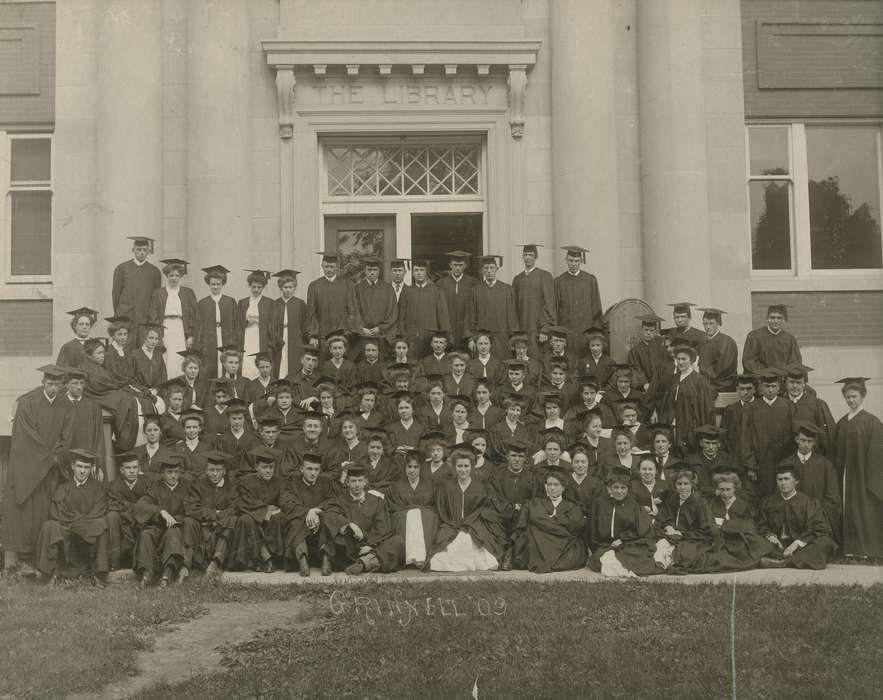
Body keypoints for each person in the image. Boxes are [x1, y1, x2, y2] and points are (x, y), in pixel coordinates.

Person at [3, 366, 74, 573]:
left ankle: (43, 560)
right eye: (50, 384)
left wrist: (55, 456)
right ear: (43, 382)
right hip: (31, 467)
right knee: (25, 512)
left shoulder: (66, 406)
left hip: (51, 468)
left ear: (62, 386)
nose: (53, 388)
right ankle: (20, 560)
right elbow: (26, 436)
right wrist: (47, 457)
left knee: (45, 511)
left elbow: (66, 436)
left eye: (57, 385)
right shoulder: (28, 403)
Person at [35, 448, 109, 585]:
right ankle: (52, 573)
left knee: (100, 524)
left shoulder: (98, 488)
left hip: (87, 529)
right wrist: (74, 522)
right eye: (80, 466)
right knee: (50, 526)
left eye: (86, 467)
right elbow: (57, 511)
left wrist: (79, 523)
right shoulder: (63, 487)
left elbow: (98, 511)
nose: (82, 471)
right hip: (66, 527)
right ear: (73, 466)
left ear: (91, 468)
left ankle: (97, 575)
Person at [428, 448, 505, 571]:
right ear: (454, 466)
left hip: (473, 525)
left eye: (466, 466)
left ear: (472, 466)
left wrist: (469, 522)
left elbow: (483, 510)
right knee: (449, 547)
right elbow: (441, 509)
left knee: (467, 540)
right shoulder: (446, 486)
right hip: (451, 524)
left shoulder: (480, 487)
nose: (463, 470)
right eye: (459, 466)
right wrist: (452, 523)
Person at [833, 377, 883, 559]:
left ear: (863, 396)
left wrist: (871, 479)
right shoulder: (842, 423)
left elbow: (877, 454)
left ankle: (866, 550)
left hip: (864, 477)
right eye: (847, 397)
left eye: (854, 396)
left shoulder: (872, 422)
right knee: (848, 508)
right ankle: (849, 549)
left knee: (864, 509)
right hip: (846, 476)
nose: (851, 400)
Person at [323, 465, 403, 575]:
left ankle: (363, 564)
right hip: (349, 547)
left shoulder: (377, 501)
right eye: (353, 481)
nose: (357, 485)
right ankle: (369, 563)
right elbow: (330, 514)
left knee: (397, 541)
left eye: (360, 481)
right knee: (331, 532)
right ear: (347, 483)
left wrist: (370, 545)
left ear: (365, 482)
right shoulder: (340, 500)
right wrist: (349, 524)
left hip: (371, 547)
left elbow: (382, 527)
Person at [757, 464, 836, 569]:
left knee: (825, 542)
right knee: (753, 540)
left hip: (801, 546)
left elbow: (818, 527)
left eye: (787, 479)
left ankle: (782, 562)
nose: (783, 483)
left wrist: (798, 542)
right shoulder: (768, 502)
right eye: (780, 479)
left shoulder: (808, 502)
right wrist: (770, 536)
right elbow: (760, 524)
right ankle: (791, 559)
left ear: (796, 481)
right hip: (775, 546)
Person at [588, 466, 658, 577]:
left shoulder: (633, 505)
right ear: (610, 488)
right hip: (605, 545)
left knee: (634, 559)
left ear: (628, 489)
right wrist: (595, 547)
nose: (619, 491)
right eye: (616, 487)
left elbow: (640, 529)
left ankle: (625, 570)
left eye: (623, 488)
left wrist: (623, 539)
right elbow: (593, 528)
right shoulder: (600, 503)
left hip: (628, 543)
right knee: (599, 561)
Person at [133, 456, 190, 587]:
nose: (173, 476)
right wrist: (160, 512)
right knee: (146, 535)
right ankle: (147, 575)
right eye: (169, 472)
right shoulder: (156, 488)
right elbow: (140, 506)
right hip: (157, 526)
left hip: (177, 527)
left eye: (176, 472)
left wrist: (175, 519)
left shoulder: (186, 488)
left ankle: (167, 575)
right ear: (163, 473)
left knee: (172, 534)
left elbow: (191, 511)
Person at [516, 468, 586, 573]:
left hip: (564, 544)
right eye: (549, 484)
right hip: (540, 541)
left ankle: (547, 561)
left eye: (556, 485)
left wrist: (550, 521)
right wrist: (560, 523)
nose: (552, 488)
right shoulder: (536, 503)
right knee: (533, 530)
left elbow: (575, 525)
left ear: (563, 487)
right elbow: (535, 520)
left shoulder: (572, 506)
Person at [778, 421, 841, 539]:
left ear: (814, 442)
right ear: (797, 439)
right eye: (803, 440)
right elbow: (780, 494)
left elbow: (833, 498)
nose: (806, 444)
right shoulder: (786, 463)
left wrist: (816, 514)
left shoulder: (825, 465)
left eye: (810, 441)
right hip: (792, 518)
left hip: (816, 518)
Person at [229, 446, 287, 572]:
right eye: (264, 467)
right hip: (251, 514)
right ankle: (262, 558)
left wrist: (274, 511)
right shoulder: (246, 481)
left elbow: (283, 501)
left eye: (271, 467)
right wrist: (265, 510)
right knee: (245, 519)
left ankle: (271, 557)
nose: (268, 471)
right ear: (256, 468)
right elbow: (244, 502)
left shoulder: (280, 481)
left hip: (273, 518)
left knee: (279, 517)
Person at [706, 467, 774, 571]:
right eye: (722, 490)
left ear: (735, 489)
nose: (725, 493)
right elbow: (709, 522)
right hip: (719, 538)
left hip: (739, 537)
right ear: (717, 490)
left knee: (745, 547)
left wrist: (724, 524)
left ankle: (760, 560)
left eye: (728, 489)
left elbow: (748, 526)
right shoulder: (712, 503)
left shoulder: (743, 504)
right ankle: (758, 562)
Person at [488, 439, 542, 569]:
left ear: (525, 459)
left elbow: (537, 498)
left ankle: (510, 553)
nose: (517, 459)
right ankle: (506, 551)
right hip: (503, 514)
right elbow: (495, 496)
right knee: (488, 516)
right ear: (507, 457)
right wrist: (511, 508)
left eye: (520, 456)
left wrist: (523, 508)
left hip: (524, 515)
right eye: (513, 456)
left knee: (523, 518)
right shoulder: (498, 474)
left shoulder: (533, 475)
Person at [653, 464, 717, 575]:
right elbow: (665, 516)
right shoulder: (673, 499)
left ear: (692, 484)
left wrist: (682, 534)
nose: (683, 487)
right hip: (672, 535)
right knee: (660, 545)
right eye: (679, 484)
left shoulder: (700, 503)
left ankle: (669, 562)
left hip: (692, 538)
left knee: (683, 553)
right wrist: (669, 527)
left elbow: (706, 530)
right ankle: (661, 564)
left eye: (686, 484)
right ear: (675, 485)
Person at [183, 449, 239, 576]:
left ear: (224, 471)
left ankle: (216, 561)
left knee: (233, 519)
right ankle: (186, 565)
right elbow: (191, 507)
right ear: (206, 471)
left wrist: (218, 518)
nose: (214, 474)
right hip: (202, 528)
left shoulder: (231, 487)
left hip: (222, 528)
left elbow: (234, 507)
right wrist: (215, 514)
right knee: (188, 521)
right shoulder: (199, 484)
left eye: (218, 470)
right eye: (211, 470)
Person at [280, 453, 335, 576]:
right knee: (295, 522)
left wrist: (316, 510)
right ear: (301, 469)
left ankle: (326, 559)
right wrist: (307, 512)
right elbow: (286, 503)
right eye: (309, 469)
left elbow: (333, 501)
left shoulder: (326, 483)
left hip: (319, 524)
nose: (313, 473)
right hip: (300, 521)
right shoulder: (291, 483)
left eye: (316, 469)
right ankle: (302, 559)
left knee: (328, 520)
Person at [742, 369, 793, 498]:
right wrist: (751, 465)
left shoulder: (787, 405)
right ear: (760, 387)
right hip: (760, 463)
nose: (770, 390)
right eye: (767, 386)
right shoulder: (751, 407)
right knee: (761, 497)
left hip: (782, 461)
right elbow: (745, 438)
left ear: (779, 387)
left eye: (773, 386)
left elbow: (792, 435)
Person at [387, 451, 439, 568]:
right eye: (409, 466)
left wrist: (417, 510)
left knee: (419, 515)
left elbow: (433, 506)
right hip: (403, 518)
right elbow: (394, 507)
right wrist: (412, 510)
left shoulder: (430, 485)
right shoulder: (396, 486)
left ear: (421, 468)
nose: (412, 470)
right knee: (411, 516)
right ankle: (410, 558)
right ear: (404, 468)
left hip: (425, 518)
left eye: (416, 467)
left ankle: (422, 558)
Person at [147, 259, 198, 378]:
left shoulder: (187, 292)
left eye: (177, 275)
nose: (174, 278)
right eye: (171, 275)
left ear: (180, 276)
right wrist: (157, 335)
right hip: (165, 328)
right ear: (166, 276)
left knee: (180, 357)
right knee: (166, 357)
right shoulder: (158, 293)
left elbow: (194, 315)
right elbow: (153, 315)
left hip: (180, 328)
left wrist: (190, 335)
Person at [663, 340, 714, 457]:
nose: (680, 362)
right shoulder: (674, 378)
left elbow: (705, 409)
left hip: (690, 426)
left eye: (684, 359)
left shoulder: (699, 381)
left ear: (691, 360)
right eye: (678, 359)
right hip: (674, 424)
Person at [554, 246, 603, 357]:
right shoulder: (559, 282)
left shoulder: (590, 280)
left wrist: (595, 334)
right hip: (567, 332)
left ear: (581, 261)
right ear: (566, 260)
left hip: (586, 332)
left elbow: (596, 309)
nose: (574, 264)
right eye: (571, 260)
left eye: (576, 261)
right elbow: (556, 310)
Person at [112, 236, 162, 345]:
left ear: (149, 251)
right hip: (126, 316)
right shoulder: (122, 268)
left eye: (144, 250)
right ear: (133, 250)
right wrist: (120, 313)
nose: (141, 253)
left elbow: (156, 297)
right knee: (125, 347)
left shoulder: (154, 272)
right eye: (139, 249)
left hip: (144, 318)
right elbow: (116, 295)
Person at [398, 258, 451, 358]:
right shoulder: (406, 292)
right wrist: (403, 336)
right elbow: (401, 317)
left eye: (421, 270)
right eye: (416, 270)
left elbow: (443, 317)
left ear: (426, 272)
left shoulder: (437, 291)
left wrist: (443, 337)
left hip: (430, 337)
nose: (419, 273)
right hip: (411, 337)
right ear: (412, 273)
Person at [468, 255, 519, 360]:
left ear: (497, 269)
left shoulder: (506, 289)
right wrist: (472, 338)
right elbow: (472, 315)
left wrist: (512, 338)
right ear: (482, 270)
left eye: (492, 267)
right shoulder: (476, 290)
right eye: (486, 268)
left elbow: (512, 315)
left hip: (502, 336)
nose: (489, 271)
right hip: (482, 337)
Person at [106, 451, 149, 570]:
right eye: (128, 468)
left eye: (135, 467)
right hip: (122, 525)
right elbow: (113, 506)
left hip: (142, 522)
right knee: (112, 516)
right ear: (121, 470)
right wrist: (137, 507)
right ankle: (114, 562)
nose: (132, 471)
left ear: (139, 468)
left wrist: (126, 506)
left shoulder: (147, 483)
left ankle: (143, 564)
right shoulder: (113, 486)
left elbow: (150, 506)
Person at [195, 265, 239, 379]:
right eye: (213, 284)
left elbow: (235, 323)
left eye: (218, 284)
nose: (215, 287)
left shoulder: (230, 301)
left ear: (222, 284)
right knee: (210, 364)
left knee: (227, 363)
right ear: (209, 284)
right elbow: (199, 326)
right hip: (209, 339)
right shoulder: (203, 303)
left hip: (226, 338)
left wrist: (234, 341)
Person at [512, 243, 557, 353]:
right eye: (525, 255)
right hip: (522, 329)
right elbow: (514, 307)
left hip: (538, 329)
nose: (527, 258)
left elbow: (549, 304)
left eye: (530, 255)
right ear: (522, 257)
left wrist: (545, 329)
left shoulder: (544, 276)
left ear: (536, 257)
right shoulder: (518, 279)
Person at [62, 368, 106, 478]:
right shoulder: (59, 404)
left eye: (82, 383)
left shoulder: (93, 407)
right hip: (63, 461)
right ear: (67, 385)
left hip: (86, 463)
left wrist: (97, 464)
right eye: (75, 383)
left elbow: (99, 438)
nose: (79, 387)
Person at [784, 364, 836, 455]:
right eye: (791, 382)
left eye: (799, 382)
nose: (795, 386)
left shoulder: (816, 404)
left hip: (810, 457)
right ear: (786, 383)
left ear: (804, 384)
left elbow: (824, 436)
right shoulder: (780, 403)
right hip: (785, 457)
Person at [306, 252, 353, 350]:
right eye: (326, 266)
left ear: (337, 267)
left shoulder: (346, 284)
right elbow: (311, 312)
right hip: (322, 335)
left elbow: (352, 309)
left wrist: (347, 330)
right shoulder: (314, 285)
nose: (329, 270)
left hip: (342, 335)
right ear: (322, 266)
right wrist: (313, 335)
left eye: (332, 267)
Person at [269, 269, 308, 380]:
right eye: (285, 287)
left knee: (294, 361)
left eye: (290, 287)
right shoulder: (275, 304)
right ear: (280, 288)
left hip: (295, 337)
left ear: (294, 288)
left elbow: (305, 323)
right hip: (279, 338)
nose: (288, 290)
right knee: (280, 361)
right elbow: (271, 325)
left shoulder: (300, 303)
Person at [742, 304, 802, 374]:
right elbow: (749, 361)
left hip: (782, 378)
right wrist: (767, 372)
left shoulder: (790, 339)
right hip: (761, 378)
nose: (776, 321)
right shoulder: (755, 336)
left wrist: (784, 373)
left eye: (779, 318)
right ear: (767, 318)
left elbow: (795, 362)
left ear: (783, 320)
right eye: (772, 317)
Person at [237, 270, 274, 380]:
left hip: (261, 337)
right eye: (254, 287)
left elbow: (272, 324)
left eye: (259, 287)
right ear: (250, 286)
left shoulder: (269, 303)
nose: (256, 290)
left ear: (263, 287)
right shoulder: (243, 302)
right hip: (247, 337)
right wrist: (247, 322)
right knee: (247, 362)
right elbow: (238, 323)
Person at [437, 251, 478, 347]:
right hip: (447, 329)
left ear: (465, 266)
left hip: (466, 330)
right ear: (450, 265)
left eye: (460, 265)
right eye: (455, 265)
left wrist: (471, 336)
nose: (457, 268)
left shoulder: (473, 283)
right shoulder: (441, 284)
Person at [696, 307, 738, 394]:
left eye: (711, 323)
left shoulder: (727, 342)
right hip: (706, 384)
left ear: (718, 323)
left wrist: (702, 373)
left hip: (722, 386)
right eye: (705, 323)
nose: (708, 327)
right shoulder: (702, 343)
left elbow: (723, 367)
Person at [628, 314, 669, 393]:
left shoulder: (662, 349)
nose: (648, 333)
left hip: (661, 388)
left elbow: (666, 367)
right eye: (646, 330)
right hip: (644, 388)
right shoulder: (635, 351)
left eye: (651, 330)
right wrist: (644, 384)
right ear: (641, 330)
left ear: (656, 332)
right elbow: (635, 369)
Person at [721, 374, 756, 462]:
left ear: (755, 389)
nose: (745, 392)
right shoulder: (730, 410)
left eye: (748, 388)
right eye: (742, 389)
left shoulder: (761, 408)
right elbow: (724, 435)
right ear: (737, 389)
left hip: (756, 459)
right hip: (735, 457)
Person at [630, 455, 670, 523]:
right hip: (640, 523)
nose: (647, 472)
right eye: (644, 469)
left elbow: (669, 509)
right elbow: (630, 508)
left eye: (650, 469)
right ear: (639, 470)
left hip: (661, 522)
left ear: (656, 471)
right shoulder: (632, 486)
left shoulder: (665, 485)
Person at [131, 323, 168, 390]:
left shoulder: (158, 355)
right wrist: (144, 390)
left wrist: (157, 389)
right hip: (139, 392)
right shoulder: (135, 355)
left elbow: (163, 377)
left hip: (156, 392)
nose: (153, 341)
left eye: (156, 339)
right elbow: (131, 378)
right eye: (151, 338)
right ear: (144, 338)